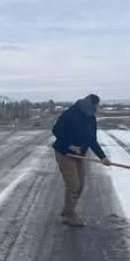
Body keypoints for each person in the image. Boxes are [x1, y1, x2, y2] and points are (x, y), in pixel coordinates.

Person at [52, 94, 111, 227]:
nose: (98, 107)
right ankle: (69, 215)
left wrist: (102, 157)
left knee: (81, 184)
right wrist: (70, 145)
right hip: (64, 153)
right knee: (73, 185)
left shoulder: (91, 118)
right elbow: (56, 130)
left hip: (79, 156)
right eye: (96, 105)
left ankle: (68, 210)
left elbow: (92, 140)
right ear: (90, 104)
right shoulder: (70, 114)